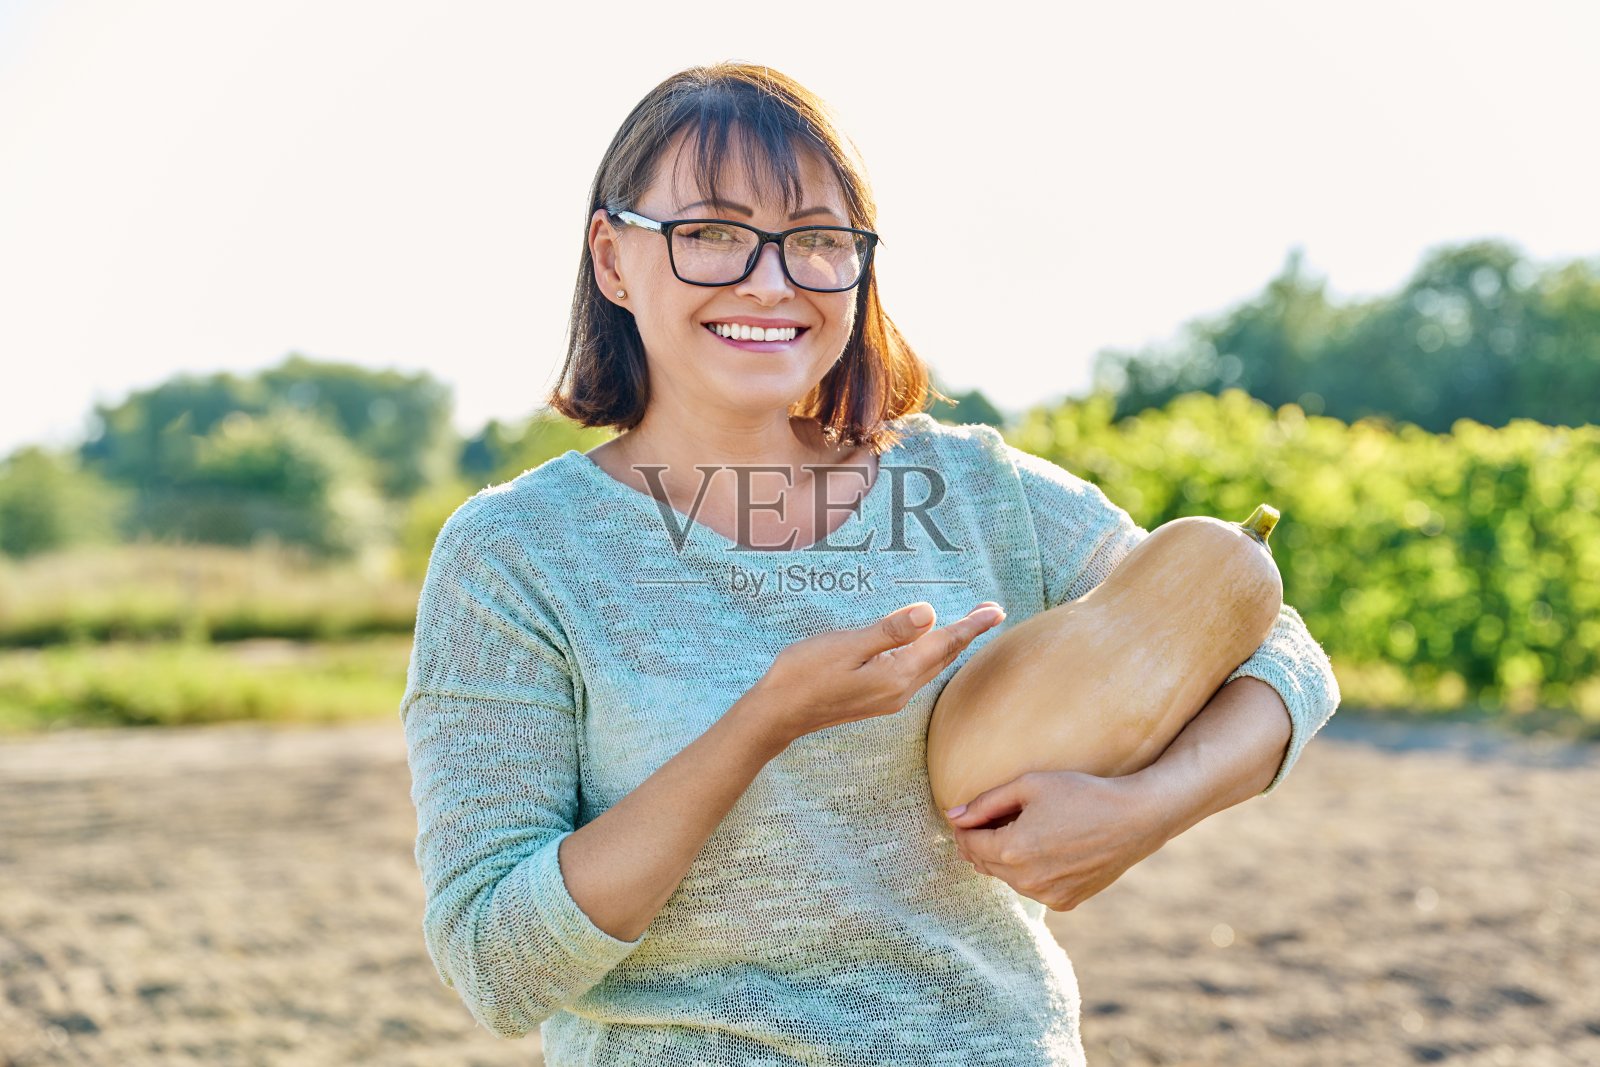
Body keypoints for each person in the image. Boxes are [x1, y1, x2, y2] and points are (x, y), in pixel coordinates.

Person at [398, 62, 1340, 1065]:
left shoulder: (975, 491)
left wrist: (1144, 810)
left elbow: (1278, 649)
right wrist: (762, 721)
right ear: (614, 259)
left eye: (815, 239)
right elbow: (494, 963)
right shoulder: (515, 555)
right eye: (711, 231)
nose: (770, 280)